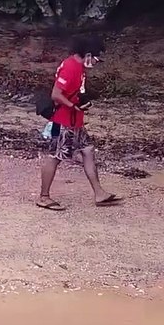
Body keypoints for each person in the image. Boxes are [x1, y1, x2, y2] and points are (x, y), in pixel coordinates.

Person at [36, 35, 120, 210]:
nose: (96, 62)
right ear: (88, 54)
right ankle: (44, 197)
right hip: (62, 122)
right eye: (96, 58)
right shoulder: (71, 67)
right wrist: (73, 106)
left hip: (74, 121)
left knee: (88, 150)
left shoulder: (78, 66)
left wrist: (79, 104)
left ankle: (99, 193)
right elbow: (55, 95)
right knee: (55, 157)